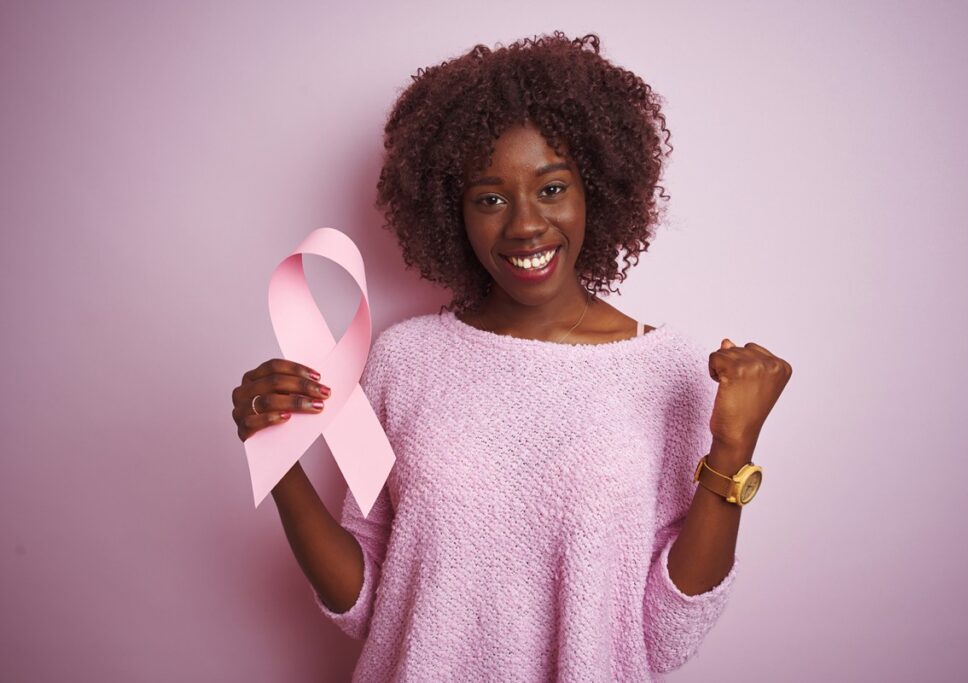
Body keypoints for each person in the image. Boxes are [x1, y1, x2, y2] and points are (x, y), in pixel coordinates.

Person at [230, 31, 791, 681]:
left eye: (551, 189)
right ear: (452, 212)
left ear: (597, 191)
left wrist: (733, 448)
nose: (525, 224)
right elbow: (366, 603)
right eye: (490, 198)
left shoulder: (670, 371)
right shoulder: (403, 360)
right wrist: (278, 461)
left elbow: (666, 633)